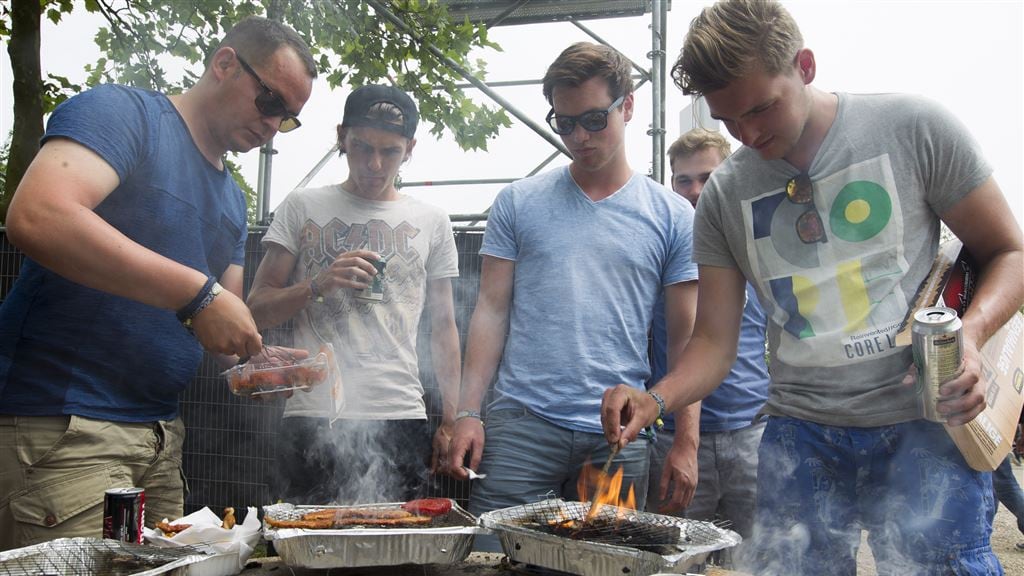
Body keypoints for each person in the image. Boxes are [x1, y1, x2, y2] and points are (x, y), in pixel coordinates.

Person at [601, 1, 1023, 574]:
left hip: (923, 424)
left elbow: (1009, 252)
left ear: (804, 65)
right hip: (801, 435)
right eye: (728, 120)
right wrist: (655, 400)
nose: (747, 134)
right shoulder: (724, 197)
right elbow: (714, 344)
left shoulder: (914, 127)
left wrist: (969, 338)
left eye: (761, 108)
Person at [0, 16, 316, 551]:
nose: (272, 126)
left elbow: (223, 319)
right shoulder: (125, 114)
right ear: (224, 65)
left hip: (162, 440)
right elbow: (38, 215)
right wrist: (199, 295)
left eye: (288, 120)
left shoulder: (233, 199)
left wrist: (259, 366)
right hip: (65, 428)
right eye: (270, 102)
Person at [446, 41, 699, 538]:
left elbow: (687, 341)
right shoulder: (518, 202)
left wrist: (686, 440)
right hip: (522, 424)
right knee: (496, 557)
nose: (578, 136)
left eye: (593, 119)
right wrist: (468, 413)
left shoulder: (672, 215)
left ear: (627, 106)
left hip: (620, 436)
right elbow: (490, 312)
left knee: (609, 567)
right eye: (564, 123)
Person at [246, 85, 461, 505]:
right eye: (361, 147)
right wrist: (317, 284)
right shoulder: (302, 205)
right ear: (341, 136)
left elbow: (445, 327)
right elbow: (254, 310)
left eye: (390, 152)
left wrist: (451, 420)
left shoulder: (432, 220)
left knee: (395, 551)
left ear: (410, 149)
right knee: (309, 549)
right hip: (314, 412)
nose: (374, 164)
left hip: (399, 410)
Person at [645, 129, 769, 567]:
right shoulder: (660, 253)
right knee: (672, 561)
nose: (695, 190)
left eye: (707, 178)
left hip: (751, 434)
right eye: (683, 180)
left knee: (757, 562)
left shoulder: (759, 249)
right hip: (670, 436)